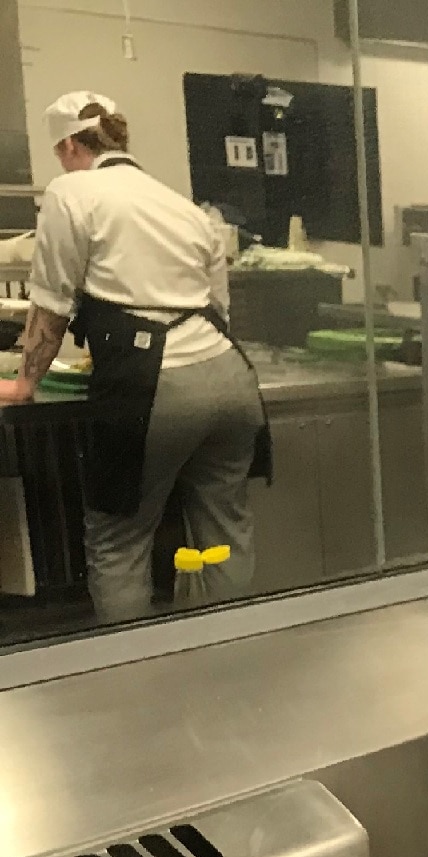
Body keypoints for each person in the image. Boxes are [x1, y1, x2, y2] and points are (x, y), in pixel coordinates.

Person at [0, 92, 269, 622]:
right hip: (231, 377)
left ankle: (130, 675)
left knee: (120, 539)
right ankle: (233, 652)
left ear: (71, 145)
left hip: (157, 387)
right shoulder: (181, 204)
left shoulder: (71, 190)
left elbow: (50, 307)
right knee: (224, 528)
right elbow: (218, 307)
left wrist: (23, 385)